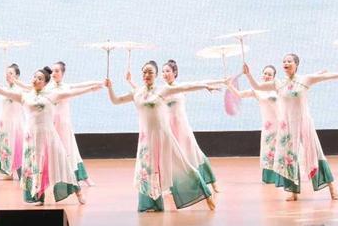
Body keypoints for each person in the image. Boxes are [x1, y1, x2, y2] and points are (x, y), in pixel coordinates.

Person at [0, 66, 101, 205]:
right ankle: (37, 196)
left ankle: (77, 191)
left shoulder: (52, 95)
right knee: (34, 166)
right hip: (31, 138)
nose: (36, 80)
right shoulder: (24, 96)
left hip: (49, 135)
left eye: (40, 78)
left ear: (45, 82)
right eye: (35, 77)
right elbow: (3, 91)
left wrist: (91, 88)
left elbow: (72, 92)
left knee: (62, 162)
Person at [106, 61, 216, 212]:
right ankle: (153, 204)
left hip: (164, 136)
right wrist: (110, 87)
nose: (147, 75)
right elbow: (116, 101)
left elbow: (185, 87)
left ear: (156, 75)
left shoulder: (162, 90)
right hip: (146, 140)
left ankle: (205, 194)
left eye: (150, 72)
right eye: (144, 72)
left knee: (182, 164)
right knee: (147, 171)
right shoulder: (136, 92)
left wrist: (205, 86)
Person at [241, 54, 338, 200]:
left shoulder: (305, 79)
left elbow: (327, 77)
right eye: (284, 61)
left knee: (316, 153)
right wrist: (248, 74)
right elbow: (257, 86)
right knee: (290, 157)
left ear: (296, 64)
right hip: (287, 126)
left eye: (289, 61)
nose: (286, 63)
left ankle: (331, 186)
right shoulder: (278, 83)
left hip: (304, 123)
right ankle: (293, 192)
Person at [225, 64, 282, 183]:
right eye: (265, 73)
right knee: (268, 149)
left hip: (281, 123)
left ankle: (283, 176)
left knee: (281, 148)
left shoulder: (278, 87)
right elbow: (240, 94)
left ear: (274, 77)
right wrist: (229, 85)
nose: (267, 76)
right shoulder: (258, 90)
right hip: (268, 125)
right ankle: (270, 177)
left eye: (270, 74)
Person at [49, 61, 102, 184]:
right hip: (52, 123)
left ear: (62, 73)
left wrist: (98, 83)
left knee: (70, 150)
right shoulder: (48, 88)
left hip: (64, 124)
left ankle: (78, 177)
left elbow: (80, 85)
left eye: (57, 71)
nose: (54, 73)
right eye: (52, 71)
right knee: (56, 150)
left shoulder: (66, 87)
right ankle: (59, 177)